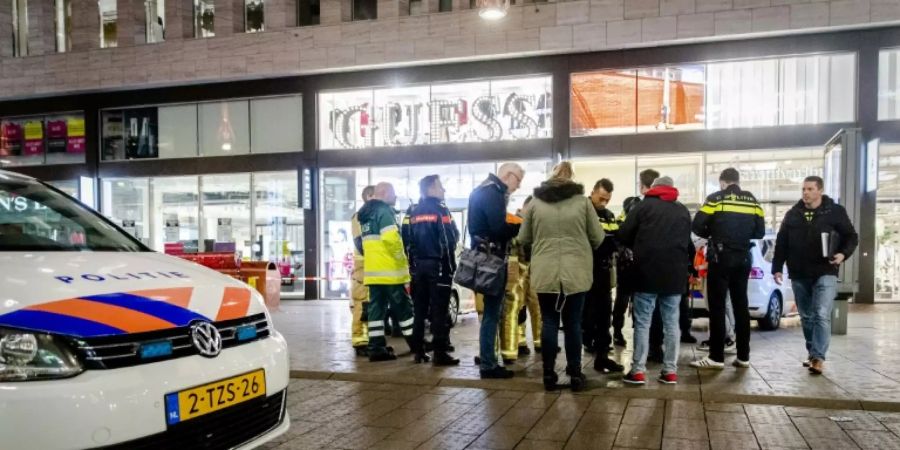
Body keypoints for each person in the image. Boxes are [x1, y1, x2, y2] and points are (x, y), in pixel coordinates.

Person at [518, 161, 604, 391]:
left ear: (551, 176)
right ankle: (575, 374)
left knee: (549, 322)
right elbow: (598, 237)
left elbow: (523, 238)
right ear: (572, 178)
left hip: (545, 271)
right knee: (574, 323)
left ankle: (548, 374)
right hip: (576, 272)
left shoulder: (535, 203)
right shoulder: (583, 203)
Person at [772, 176, 858, 375]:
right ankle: (813, 352)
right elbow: (781, 242)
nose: (805, 193)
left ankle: (818, 357)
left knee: (820, 313)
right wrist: (777, 267)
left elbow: (851, 236)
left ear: (820, 190)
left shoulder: (835, 212)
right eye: (803, 189)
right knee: (807, 316)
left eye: (810, 189)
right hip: (799, 272)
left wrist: (843, 254)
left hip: (825, 270)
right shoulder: (793, 214)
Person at [618, 176, 692, 385]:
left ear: (654, 188)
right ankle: (670, 371)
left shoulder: (643, 207)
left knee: (642, 322)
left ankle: (638, 371)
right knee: (671, 323)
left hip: (646, 273)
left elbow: (623, 234)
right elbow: (687, 242)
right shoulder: (682, 210)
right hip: (674, 276)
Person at [690, 168, 765, 370]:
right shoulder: (752, 201)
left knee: (717, 306)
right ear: (738, 182)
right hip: (743, 258)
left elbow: (697, 226)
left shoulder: (716, 198)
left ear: (723, 182)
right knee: (741, 306)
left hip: (720, 257)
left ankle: (716, 357)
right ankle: (743, 356)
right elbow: (760, 232)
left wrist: (714, 231)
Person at [468, 162, 526, 379]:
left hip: (482, 258)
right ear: (507, 175)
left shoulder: (481, 190)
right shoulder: (493, 192)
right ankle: (488, 364)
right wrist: (520, 224)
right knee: (492, 313)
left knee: (489, 313)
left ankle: (487, 358)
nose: (518, 186)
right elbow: (498, 228)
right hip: (492, 260)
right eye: (518, 180)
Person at [405, 175, 461, 366]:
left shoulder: (413, 212)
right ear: (431, 189)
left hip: (419, 267)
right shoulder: (441, 210)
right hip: (439, 266)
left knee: (419, 310)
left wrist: (413, 265)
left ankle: (419, 351)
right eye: (440, 187)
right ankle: (440, 352)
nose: (443, 190)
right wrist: (448, 264)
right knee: (439, 310)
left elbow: (409, 242)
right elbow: (449, 239)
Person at [359, 182, 416, 362]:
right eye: (393, 193)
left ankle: (376, 347)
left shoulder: (366, 213)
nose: (396, 196)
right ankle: (416, 343)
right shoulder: (383, 211)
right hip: (390, 271)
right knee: (404, 309)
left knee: (377, 311)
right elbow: (391, 239)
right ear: (383, 193)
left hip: (374, 273)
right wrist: (402, 257)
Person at [582, 178, 625, 374]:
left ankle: (602, 358)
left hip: (603, 271)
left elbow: (615, 240)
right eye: (601, 198)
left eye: (607, 199)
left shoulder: (608, 216)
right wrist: (606, 245)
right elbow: (591, 241)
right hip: (585, 271)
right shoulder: (583, 211)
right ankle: (584, 346)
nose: (604, 203)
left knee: (604, 314)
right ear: (592, 192)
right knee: (586, 314)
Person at [612, 195, 643, 347]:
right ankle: (618, 330)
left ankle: (636, 331)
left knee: (636, 299)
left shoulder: (639, 220)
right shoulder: (621, 220)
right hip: (626, 265)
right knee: (623, 300)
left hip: (634, 265)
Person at [350, 185, 376, 357]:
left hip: (372, 267)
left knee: (371, 305)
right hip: (364, 268)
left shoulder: (372, 215)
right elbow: (361, 243)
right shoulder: (359, 216)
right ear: (368, 196)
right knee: (362, 304)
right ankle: (360, 341)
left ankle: (369, 339)